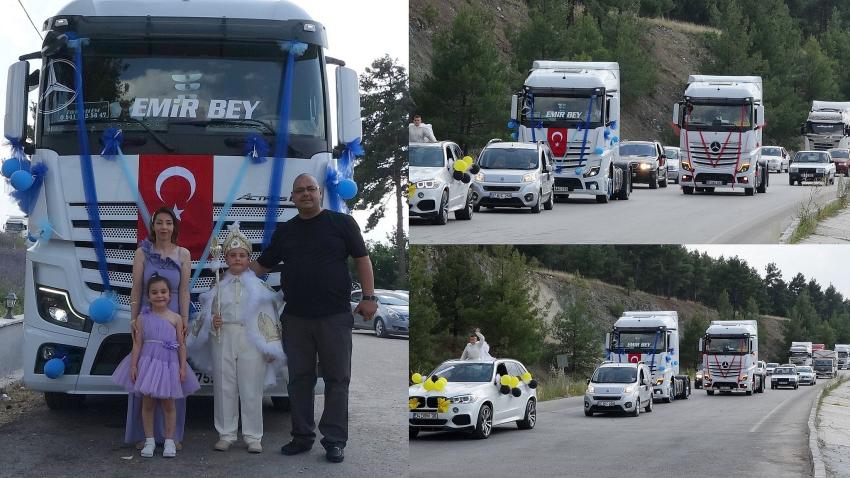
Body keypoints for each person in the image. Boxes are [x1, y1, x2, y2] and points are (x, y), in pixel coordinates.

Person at [249, 173, 377, 464]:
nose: (306, 194)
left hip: (335, 316)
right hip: (295, 318)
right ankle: (301, 436)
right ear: (292, 198)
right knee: (299, 380)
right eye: (299, 191)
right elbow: (262, 265)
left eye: (310, 189)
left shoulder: (342, 223)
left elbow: (362, 259)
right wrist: (232, 275)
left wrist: (369, 297)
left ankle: (334, 440)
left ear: (320, 193)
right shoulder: (286, 231)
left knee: (337, 379)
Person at [187, 222, 286, 454]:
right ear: (226, 258)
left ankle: (253, 436)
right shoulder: (217, 286)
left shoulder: (259, 288)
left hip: (251, 339)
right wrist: (213, 322)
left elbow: (269, 316)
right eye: (233, 255)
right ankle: (226, 433)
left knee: (251, 388)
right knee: (224, 386)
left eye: (242, 255)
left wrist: (270, 347)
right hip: (223, 337)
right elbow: (205, 314)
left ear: (249, 258)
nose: (238, 259)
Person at [112, 275, 200, 458]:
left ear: (169, 295)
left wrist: (183, 367)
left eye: (163, 292)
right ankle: (149, 440)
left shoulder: (176, 318)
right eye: (154, 292)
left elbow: (181, 344)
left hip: (169, 365)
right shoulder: (142, 319)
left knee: (169, 404)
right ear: (148, 296)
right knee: (148, 403)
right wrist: (134, 366)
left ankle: (169, 441)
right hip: (148, 363)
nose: (159, 295)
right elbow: (137, 344)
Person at [125, 207, 191, 450]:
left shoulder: (183, 254)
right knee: (147, 370)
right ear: (153, 226)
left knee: (171, 371)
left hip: (173, 315)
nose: (164, 227)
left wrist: (184, 319)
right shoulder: (142, 253)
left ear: (174, 227)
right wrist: (133, 319)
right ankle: (146, 435)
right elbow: (136, 288)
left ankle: (172, 436)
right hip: (148, 314)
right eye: (159, 223)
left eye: (169, 223)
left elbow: (184, 290)